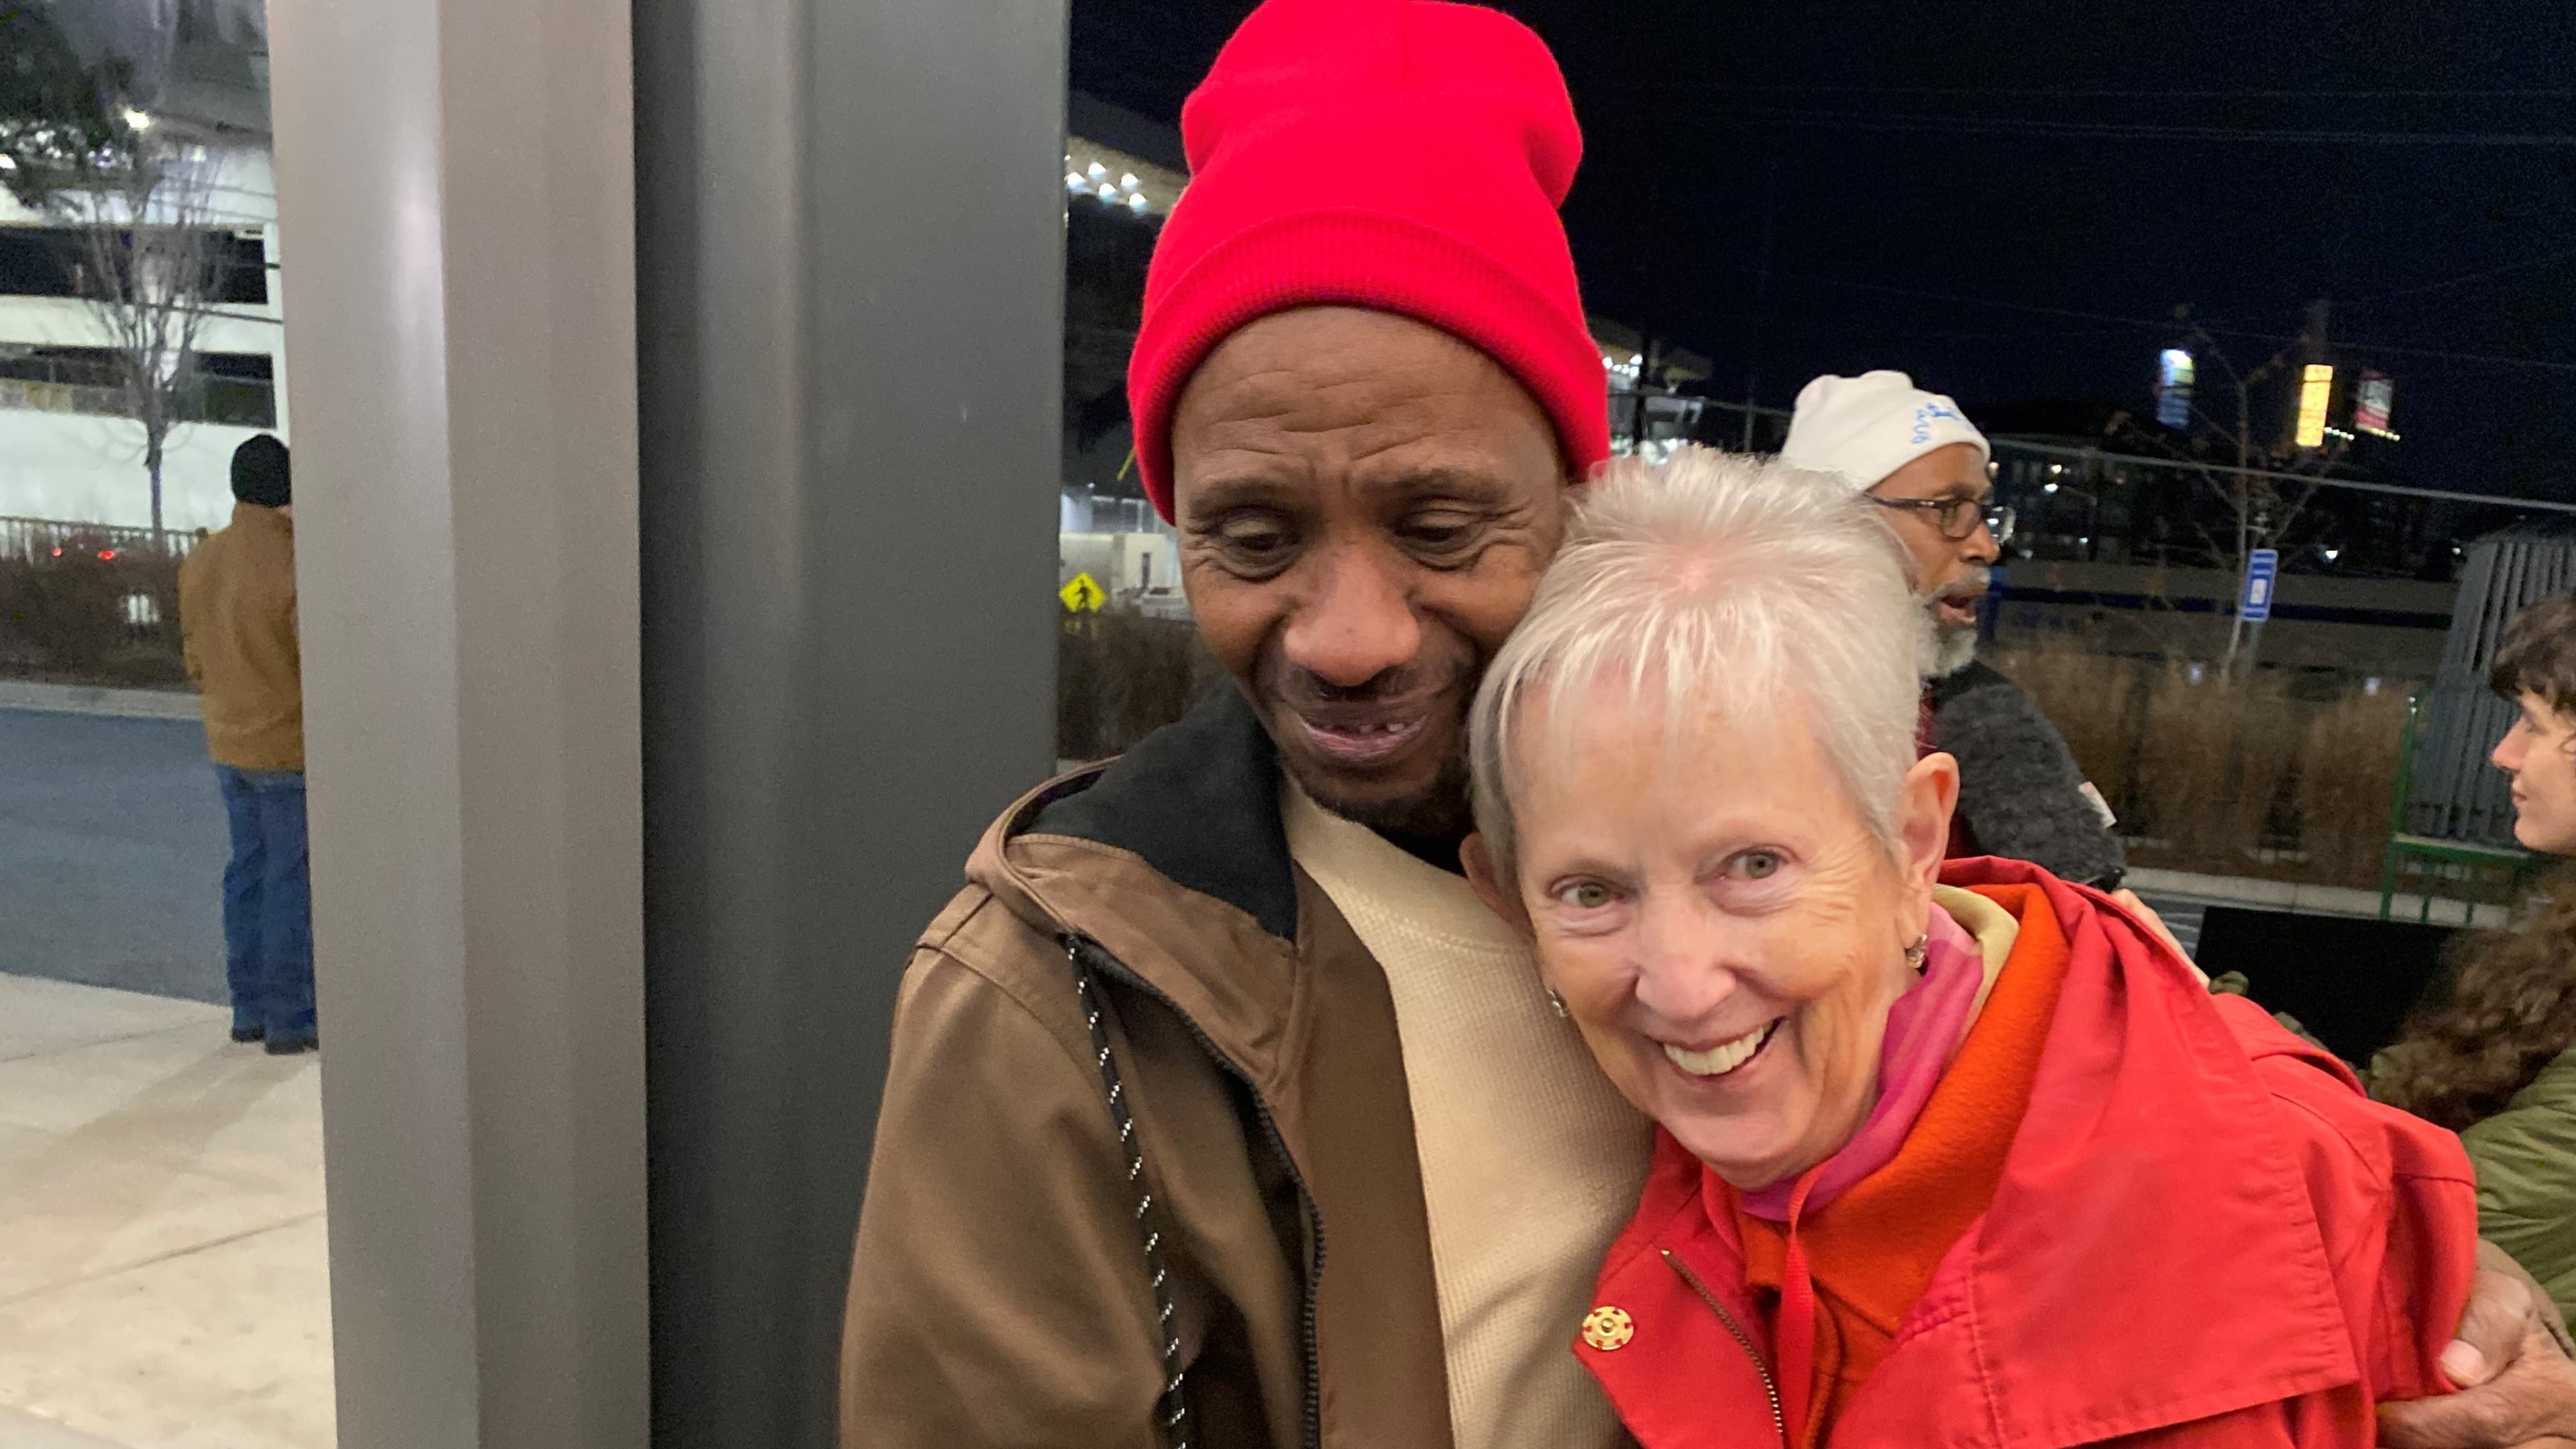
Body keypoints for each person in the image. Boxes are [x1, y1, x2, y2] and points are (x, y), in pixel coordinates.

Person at [839, 1, 2576, 1441]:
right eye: (1251, 537)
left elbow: (2100, 1051)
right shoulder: (1062, 996)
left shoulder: (1842, 865)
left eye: (1442, 528)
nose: (1350, 638)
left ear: (1576, 496)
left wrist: (2400, 1276)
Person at [1462, 447, 2481, 1446]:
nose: (1681, 990)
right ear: (1512, 904)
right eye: (1592, 893)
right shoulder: (1622, 1180)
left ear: (1912, 845)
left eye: (1754, 867)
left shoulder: (2310, 1179)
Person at [1780, 370, 2125, 890]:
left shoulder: (1983, 711)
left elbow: (2091, 913)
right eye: (1947, 510)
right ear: (1832, 524)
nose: (1985, 546)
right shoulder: (1710, 707)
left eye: (1981, 511)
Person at [2376, 592, 2576, 1334]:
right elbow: (2379, 1108)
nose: (2504, 753)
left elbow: (2431, 1217)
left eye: (2533, 723)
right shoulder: (2556, 936)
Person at [178, 433, 315, 1056]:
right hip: (289, 744)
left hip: (226, 740)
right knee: (293, 880)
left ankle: (249, 1007)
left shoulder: (203, 559)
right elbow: (313, 659)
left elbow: (194, 655)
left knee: (248, 872)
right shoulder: (297, 562)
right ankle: (293, 1017)